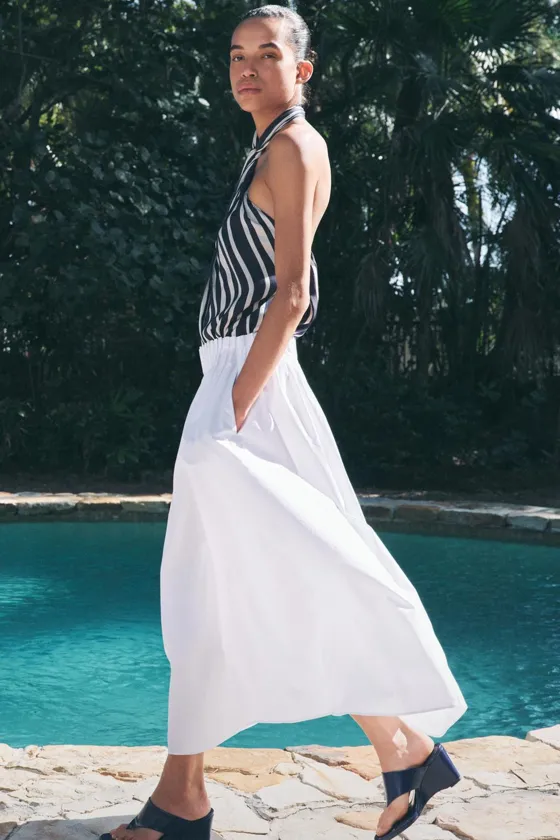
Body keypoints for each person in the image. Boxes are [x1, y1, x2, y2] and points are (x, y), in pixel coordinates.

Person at [101, 6, 467, 840]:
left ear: (302, 70)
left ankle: (389, 746)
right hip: (235, 378)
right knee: (219, 589)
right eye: (237, 54)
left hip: (251, 383)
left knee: (253, 577)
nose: (248, 68)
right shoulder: (266, 148)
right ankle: (387, 752)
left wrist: (235, 405)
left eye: (268, 54)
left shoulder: (295, 145)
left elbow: (292, 292)